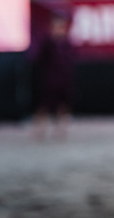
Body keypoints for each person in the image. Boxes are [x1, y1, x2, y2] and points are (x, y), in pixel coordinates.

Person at [30, 12, 76, 140]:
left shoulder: (67, 44)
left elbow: (70, 63)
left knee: (63, 107)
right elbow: (37, 59)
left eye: (61, 27)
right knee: (44, 108)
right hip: (49, 82)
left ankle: (61, 131)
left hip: (63, 81)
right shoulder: (47, 43)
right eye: (56, 27)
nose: (59, 30)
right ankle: (39, 131)